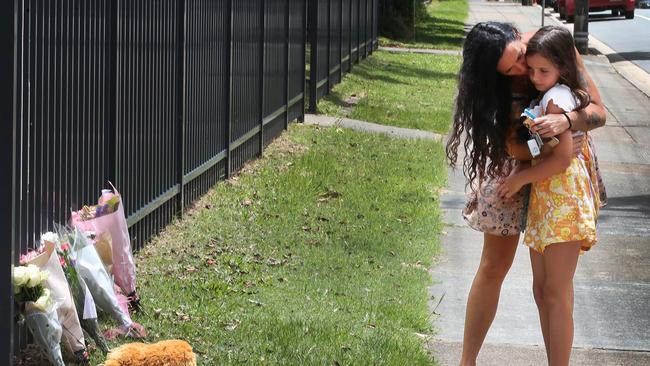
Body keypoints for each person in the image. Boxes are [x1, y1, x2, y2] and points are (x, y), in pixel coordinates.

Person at [445, 22, 607, 366]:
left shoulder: (553, 46)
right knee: (497, 266)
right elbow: (507, 145)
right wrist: (539, 154)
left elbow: (598, 112)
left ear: (520, 37)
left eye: (521, 57)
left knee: (554, 287)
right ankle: (467, 361)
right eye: (512, 70)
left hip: (562, 179)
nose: (524, 72)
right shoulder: (494, 87)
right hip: (518, 165)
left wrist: (567, 122)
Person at [497, 26, 600, 365]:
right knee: (542, 291)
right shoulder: (545, 97)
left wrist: (519, 179)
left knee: (554, 293)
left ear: (561, 69)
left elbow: (560, 159)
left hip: (563, 200)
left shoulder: (557, 99)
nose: (534, 76)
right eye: (533, 70)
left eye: (544, 71)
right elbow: (542, 149)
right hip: (548, 200)